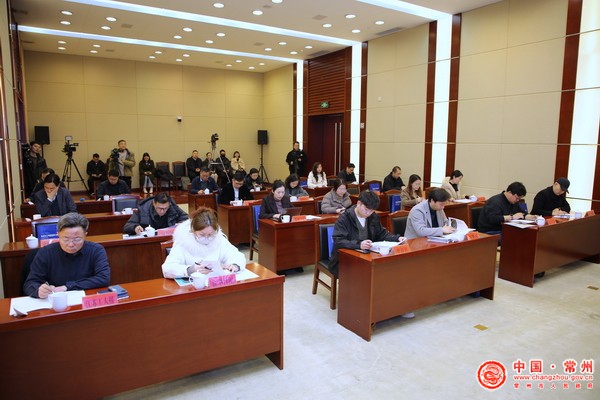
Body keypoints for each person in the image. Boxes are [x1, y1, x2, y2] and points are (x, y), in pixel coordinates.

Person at [23, 212, 110, 298]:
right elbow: (30, 284)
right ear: (58, 235)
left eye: (77, 239)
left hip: (85, 300)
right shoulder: (45, 253)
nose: (71, 244)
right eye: (66, 239)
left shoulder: (96, 250)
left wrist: (67, 287)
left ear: (85, 235)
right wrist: (38, 290)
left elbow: (103, 278)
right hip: (55, 301)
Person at [330, 190, 404, 278]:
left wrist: (397, 238)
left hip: (367, 256)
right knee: (365, 275)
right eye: (366, 209)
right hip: (345, 259)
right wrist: (359, 244)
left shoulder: (372, 217)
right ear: (359, 203)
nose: (368, 213)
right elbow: (338, 240)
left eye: (371, 211)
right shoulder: (345, 218)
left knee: (387, 270)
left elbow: (381, 233)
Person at [161, 207, 246, 279]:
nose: (206, 238)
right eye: (202, 234)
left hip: (215, 284)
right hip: (192, 287)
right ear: (193, 231)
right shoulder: (182, 242)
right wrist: (191, 269)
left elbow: (237, 256)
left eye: (210, 234)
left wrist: (235, 265)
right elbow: (167, 268)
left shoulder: (219, 239)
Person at [123, 192, 188, 235]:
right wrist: (135, 227)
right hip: (148, 241)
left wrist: (181, 224)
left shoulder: (173, 207)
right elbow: (127, 226)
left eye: (165, 208)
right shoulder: (143, 208)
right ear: (153, 203)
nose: (162, 211)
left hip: (168, 238)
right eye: (159, 208)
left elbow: (187, 219)